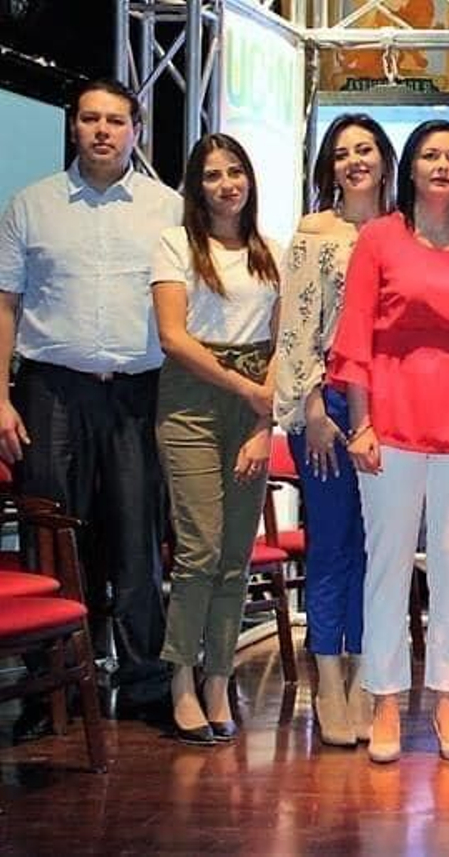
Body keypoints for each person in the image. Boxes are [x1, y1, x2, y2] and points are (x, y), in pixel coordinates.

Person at [0, 79, 183, 734]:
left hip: (138, 393)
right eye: (90, 119)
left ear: (136, 131)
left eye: (116, 120)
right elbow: (6, 303)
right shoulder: (31, 205)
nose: (103, 130)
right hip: (51, 392)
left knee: (138, 537)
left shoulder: (169, 208)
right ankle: (51, 690)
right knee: (54, 540)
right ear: (73, 126)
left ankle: (143, 683)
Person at [329, 119, 449, 764]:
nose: (442, 166)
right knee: (388, 565)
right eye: (431, 155)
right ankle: (384, 700)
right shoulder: (378, 238)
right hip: (391, 423)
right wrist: (361, 423)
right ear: (409, 166)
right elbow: (354, 336)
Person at [151, 134, 280, 745]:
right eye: (212, 175)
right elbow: (173, 337)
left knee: (234, 556)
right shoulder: (176, 243)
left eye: (235, 172)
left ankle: (219, 680)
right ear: (196, 188)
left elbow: (282, 344)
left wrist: (261, 423)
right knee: (199, 549)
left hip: (251, 407)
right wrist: (243, 388)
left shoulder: (270, 251)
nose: (227, 184)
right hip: (192, 400)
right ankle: (180, 678)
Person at [274, 113, 396, 748]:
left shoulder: (405, 230)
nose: (355, 161)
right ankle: (327, 677)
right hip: (327, 409)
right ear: (330, 166)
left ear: (385, 159)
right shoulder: (313, 233)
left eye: (365, 149)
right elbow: (296, 327)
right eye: (343, 152)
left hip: (392, 409)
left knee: (378, 549)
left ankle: (365, 676)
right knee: (331, 544)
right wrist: (314, 406)